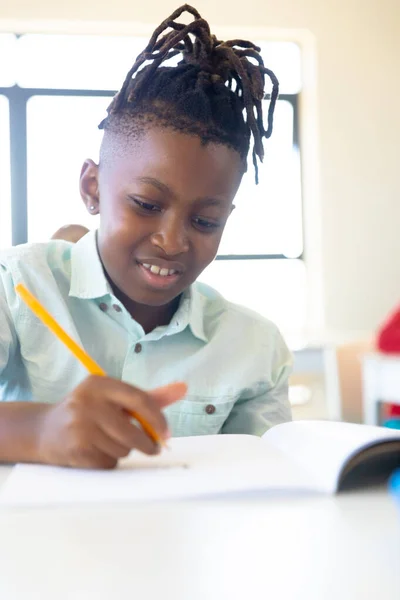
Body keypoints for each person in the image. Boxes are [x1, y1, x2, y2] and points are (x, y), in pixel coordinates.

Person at [0, 4, 292, 469]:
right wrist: (38, 430)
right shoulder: (16, 287)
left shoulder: (254, 348)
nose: (172, 241)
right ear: (92, 188)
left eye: (206, 222)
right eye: (147, 205)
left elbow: (267, 483)